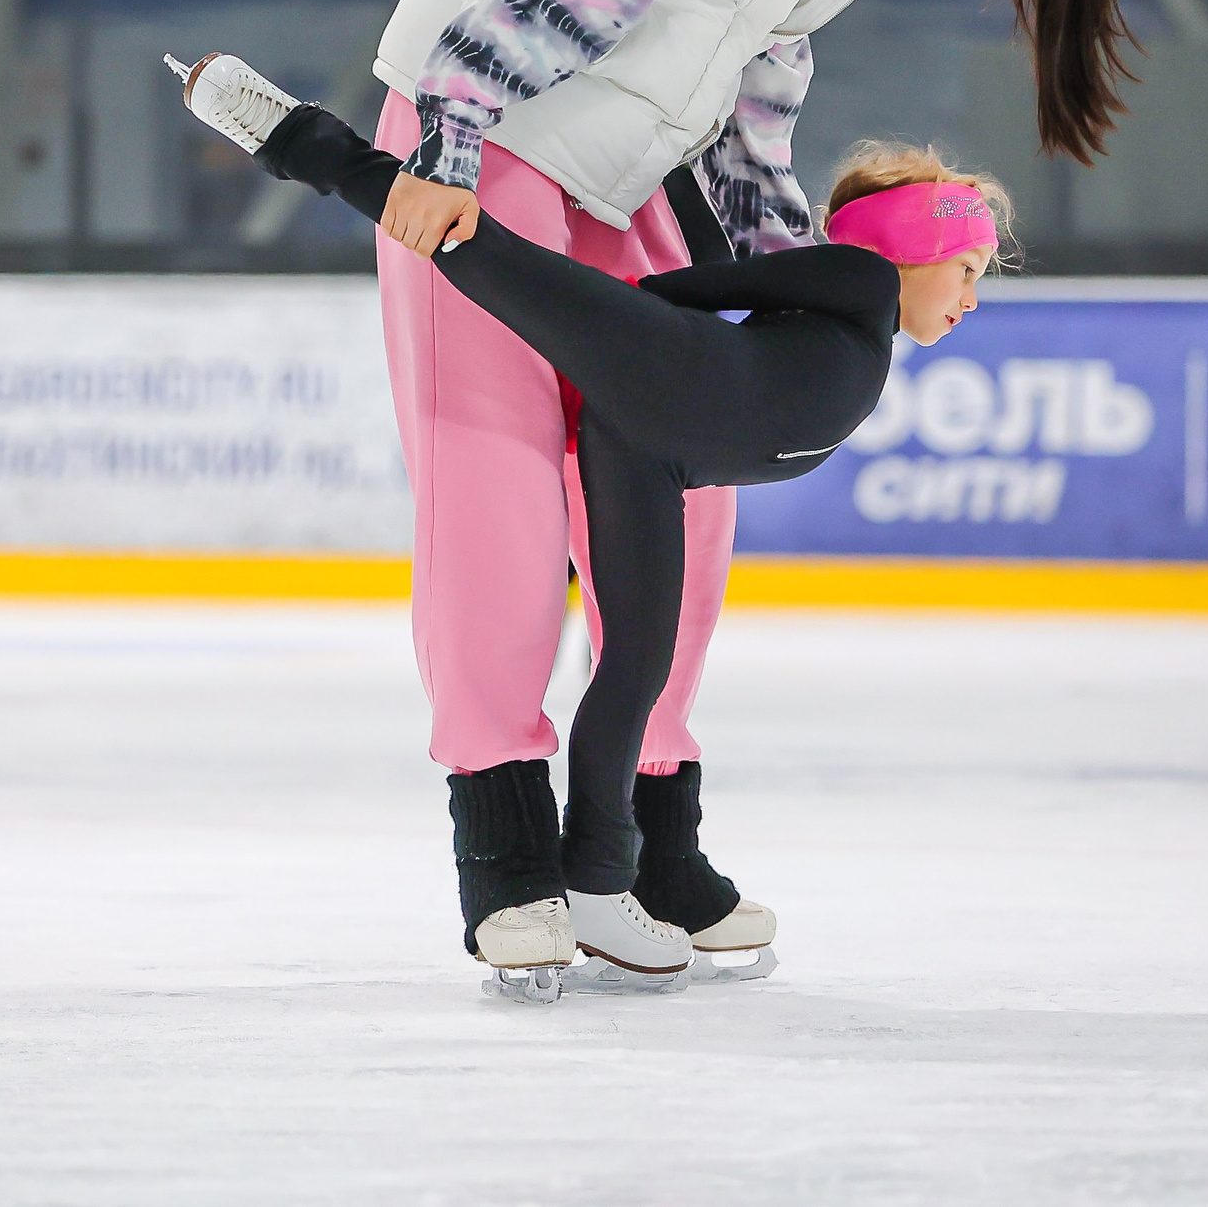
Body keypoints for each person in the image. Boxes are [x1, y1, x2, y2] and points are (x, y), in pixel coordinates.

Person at [351, 0, 1138, 986]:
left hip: (619, 176)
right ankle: (505, 850)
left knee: (690, 491)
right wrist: (441, 140)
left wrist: (802, 301)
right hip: (478, 140)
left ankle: (652, 837)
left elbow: (753, 118)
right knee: (500, 500)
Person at [172, 52, 1007, 995]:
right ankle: (297, 138)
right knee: (469, 247)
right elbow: (708, 278)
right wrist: (625, 314)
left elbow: (720, 257)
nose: (975, 295)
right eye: (969, 268)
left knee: (635, 669)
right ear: (912, 250)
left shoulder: (860, 326)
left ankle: (611, 870)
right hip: (660, 367)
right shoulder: (858, 281)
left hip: (655, 453)